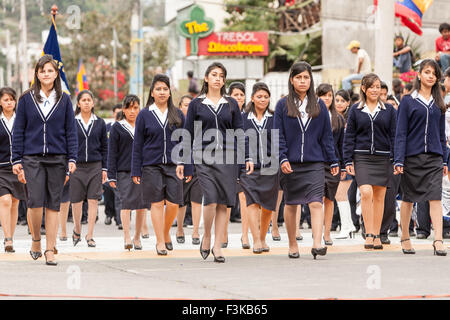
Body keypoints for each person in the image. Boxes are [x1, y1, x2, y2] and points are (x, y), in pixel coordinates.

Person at [177, 62, 253, 263]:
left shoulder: (231, 104)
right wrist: (183, 161)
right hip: (204, 157)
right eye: (214, 74)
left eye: (221, 75)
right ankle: (207, 235)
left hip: (228, 158)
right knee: (210, 199)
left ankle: (217, 245)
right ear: (206, 78)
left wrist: (246, 157)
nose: (218, 78)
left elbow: (240, 132)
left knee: (224, 203)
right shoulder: (196, 104)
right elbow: (188, 134)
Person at [12, 54, 78, 266]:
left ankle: (50, 248)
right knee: (35, 202)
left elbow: (71, 131)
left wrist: (72, 158)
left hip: (58, 158)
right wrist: (16, 160)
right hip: (32, 158)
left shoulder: (64, 99)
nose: (46, 74)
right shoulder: (26, 99)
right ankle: (35, 240)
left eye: (50, 70)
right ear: (37, 74)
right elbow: (18, 130)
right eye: (42, 71)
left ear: (56, 73)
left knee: (53, 205)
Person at [274, 61, 339, 259]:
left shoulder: (319, 105)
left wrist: (333, 160)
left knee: (316, 202)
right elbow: (278, 135)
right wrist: (282, 157)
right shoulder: (282, 105)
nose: (303, 81)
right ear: (292, 80)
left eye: (306, 78)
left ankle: (317, 243)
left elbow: (326, 137)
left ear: (311, 80)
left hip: (315, 163)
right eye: (299, 77)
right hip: (290, 164)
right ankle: (292, 244)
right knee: (291, 204)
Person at [394, 59, 448, 256]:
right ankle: (405, 236)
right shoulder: (408, 101)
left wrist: (444, 159)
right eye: (427, 72)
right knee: (408, 199)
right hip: (411, 157)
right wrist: (398, 159)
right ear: (419, 75)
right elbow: (400, 133)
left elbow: (442, 135)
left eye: (434, 73)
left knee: (435, 197)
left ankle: (439, 240)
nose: (431, 76)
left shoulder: (439, 103)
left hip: (434, 157)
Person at [132, 74, 186, 255]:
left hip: (174, 165)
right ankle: (160, 241)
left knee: (173, 204)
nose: (162, 92)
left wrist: (188, 165)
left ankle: (164, 232)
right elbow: (137, 144)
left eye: (165, 89)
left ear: (170, 92)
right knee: (156, 203)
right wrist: (135, 169)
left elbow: (185, 142)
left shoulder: (177, 115)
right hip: (151, 165)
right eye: (158, 89)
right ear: (152, 93)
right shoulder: (145, 114)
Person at [344, 73, 396, 250]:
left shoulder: (389, 110)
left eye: (378, 86)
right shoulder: (355, 110)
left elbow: (394, 135)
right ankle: (369, 233)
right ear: (364, 89)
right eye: (371, 87)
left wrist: (396, 159)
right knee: (366, 193)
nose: (375, 90)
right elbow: (349, 136)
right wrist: (347, 160)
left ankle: (377, 235)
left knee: (380, 196)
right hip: (362, 157)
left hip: (383, 157)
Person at [239, 82, 279, 253]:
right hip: (249, 168)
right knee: (252, 202)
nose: (263, 100)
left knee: (269, 206)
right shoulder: (243, 119)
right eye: (259, 96)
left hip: (271, 167)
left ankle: (263, 238)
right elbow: (239, 141)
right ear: (252, 98)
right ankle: (255, 240)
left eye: (266, 97)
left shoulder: (275, 118)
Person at [108, 95, 149, 251]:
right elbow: (112, 153)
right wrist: (111, 174)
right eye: (129, 108)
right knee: (126, 203)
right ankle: (126, 236)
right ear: (123, 109)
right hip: (124, 171)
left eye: (135, 107)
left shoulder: (144, 126)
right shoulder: (117, 128)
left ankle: (137, 237)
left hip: (143, 170)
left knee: (141, 205)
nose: (132, 111)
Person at [70, 90, 108, 248]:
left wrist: (105, 168)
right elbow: (68, 144)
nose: (86, 102)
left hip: (95, 166)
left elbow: (105, 148)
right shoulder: (72, 122)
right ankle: (77, 229)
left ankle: (90, 235)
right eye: (83, 100)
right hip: (76, 166)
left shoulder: (99, 123)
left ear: (93, 103)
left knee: (93, 200)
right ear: (78, 103)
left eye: (88, 100)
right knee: (76, 202)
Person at [316, 84, 346, 245]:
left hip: (333, 163)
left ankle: (327, 234)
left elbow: (341, 145)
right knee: (317, 199)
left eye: (329, 95)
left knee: (329, 199)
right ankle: (318, 233)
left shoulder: (339, 118)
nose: (326, 98)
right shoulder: (312, 116)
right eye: (323, 95)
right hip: (316, 163)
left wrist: (341, 165)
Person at [0, 87, 26, 253]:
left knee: (15, 202)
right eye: (5, 100)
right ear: (0, 102)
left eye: (11, 99)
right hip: (1, 168)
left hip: (19, 168)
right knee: (5, 201)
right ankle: (7, 237)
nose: (9, 102)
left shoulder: (22, 120)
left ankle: (11, 237)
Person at [175, 95, 202, 245]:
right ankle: (179, 229)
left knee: (197, 199)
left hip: (198, 164)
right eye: (185, 105)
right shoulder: (176, 123)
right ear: (180, 107)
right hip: (180, 166)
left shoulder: (198, 123)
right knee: (181, 200)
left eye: (190, 105)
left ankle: (196, 232)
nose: (188, 108)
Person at [226, 82, 249, 249]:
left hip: (245, 161)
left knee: (244, 197)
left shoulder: (249, 116)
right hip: (227, 159)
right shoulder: (225, 115)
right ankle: (223, 233)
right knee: (226, 198)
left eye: (241, 95)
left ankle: (245, 235)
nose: (239, 98)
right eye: (235, 95)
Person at [333, 89, 357, 239]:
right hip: (337, 161)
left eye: (343, 100)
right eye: (337, 100)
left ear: (348, 103)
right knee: (341, 195)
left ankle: (346, 227)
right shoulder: (332, 118)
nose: (339, 103)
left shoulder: (350, 119)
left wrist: (350, 161)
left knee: (340, 194)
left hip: (348, 161)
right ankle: (349, 225)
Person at [104, 104, 123, 229]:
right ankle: (109, 214)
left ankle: (120, 219)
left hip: (121, 165)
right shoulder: (107, 127)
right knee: (108, 192)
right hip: (108, 164)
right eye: (116, 113)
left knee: (120, 194)